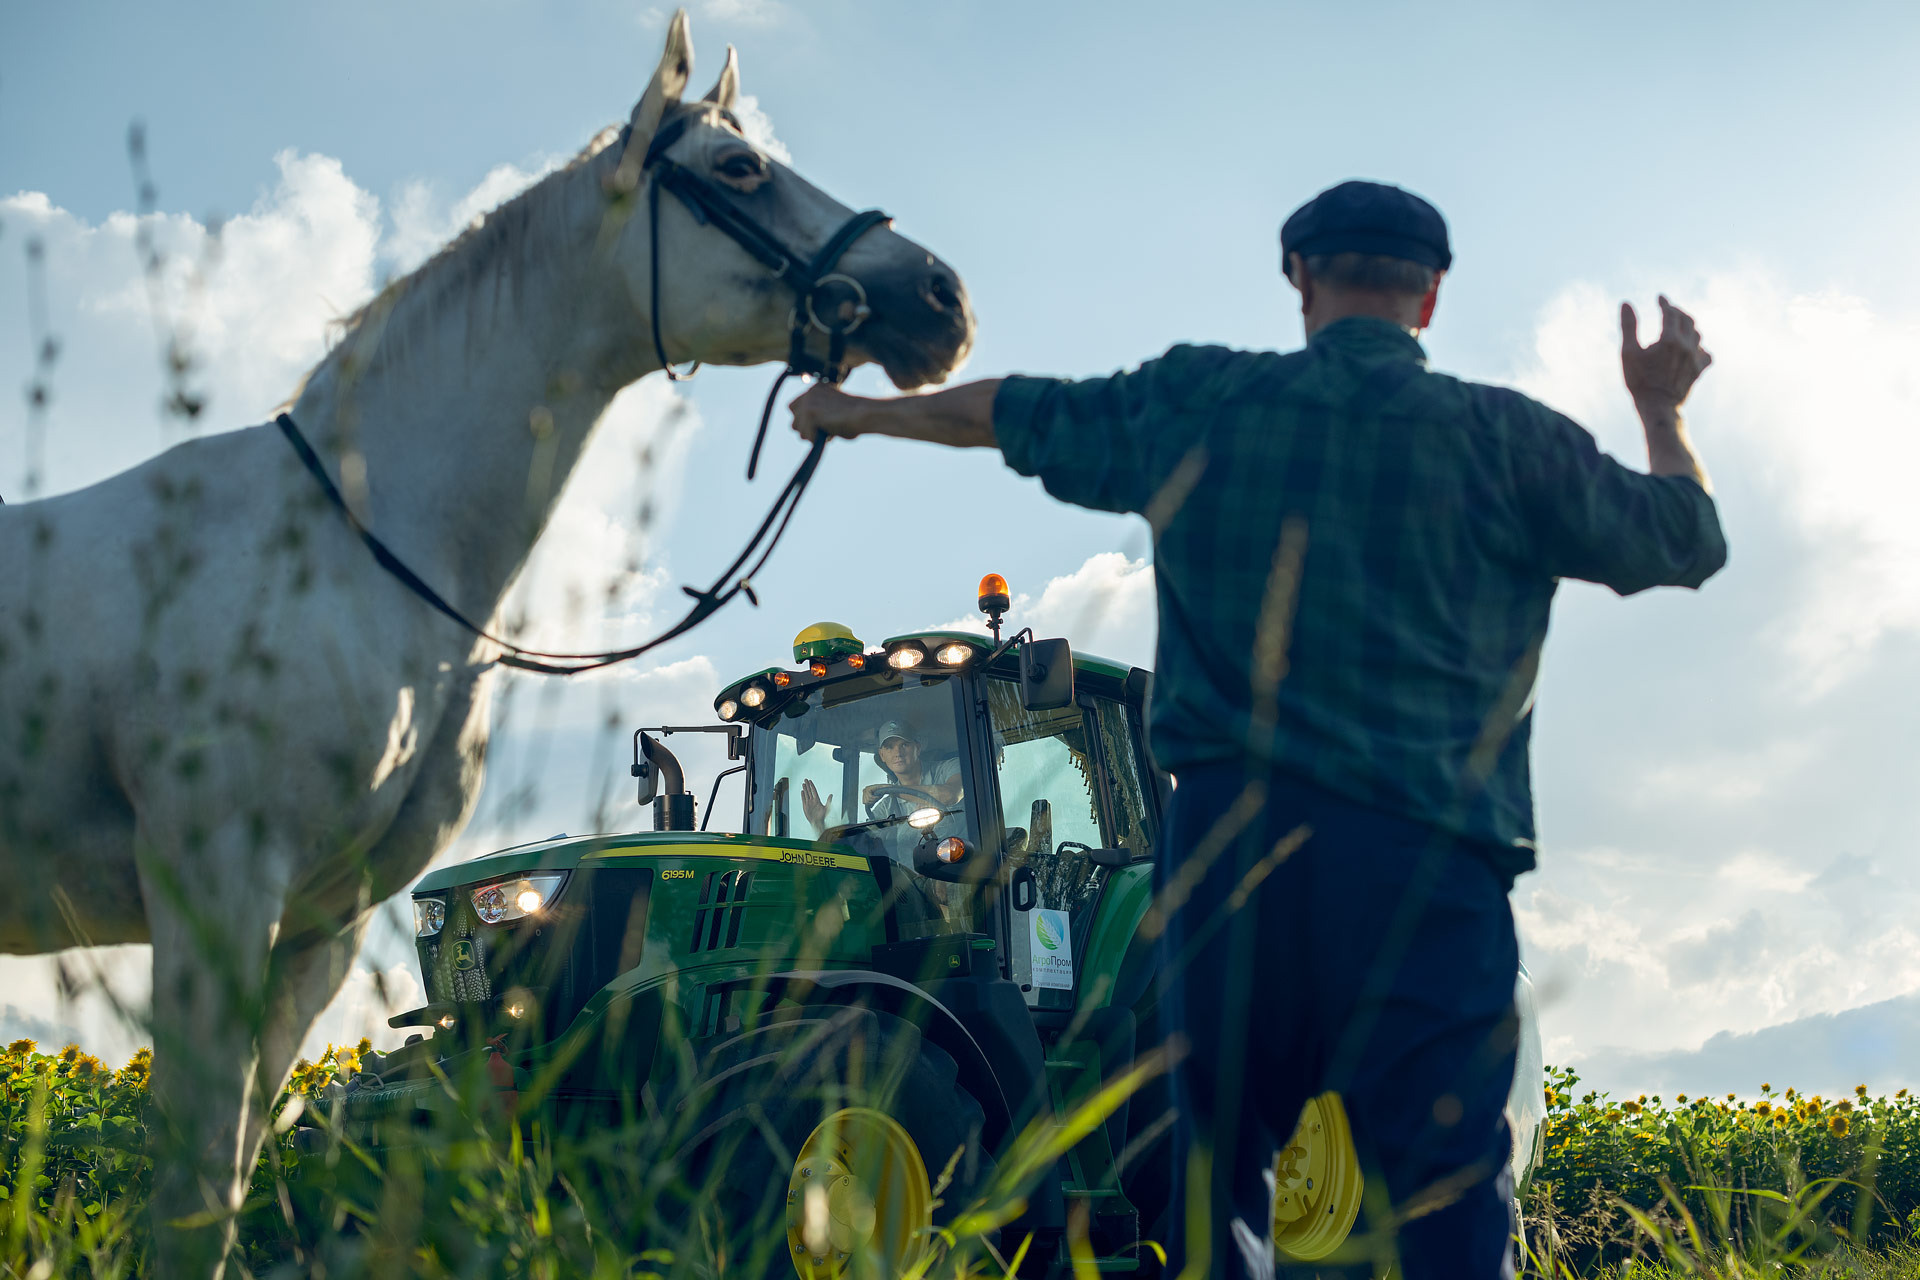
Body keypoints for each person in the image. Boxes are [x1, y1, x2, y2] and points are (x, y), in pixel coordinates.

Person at [790, 179, 1726, 1278]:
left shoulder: (1205, 405)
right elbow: (1687, 539)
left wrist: (855, 412)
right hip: (1433, 867)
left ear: (1299, 279)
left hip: (1239, 854)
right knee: (1449, 1196)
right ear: (1430, 299)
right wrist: (1661, 409)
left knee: (1216, 1181)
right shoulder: (1509, 441)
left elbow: (1004, 408)